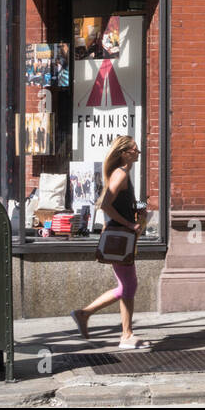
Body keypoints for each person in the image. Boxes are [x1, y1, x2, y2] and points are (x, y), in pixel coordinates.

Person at [71, 136, 148, 351]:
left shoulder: (123, 174)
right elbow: (104, 204)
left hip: (122, 236)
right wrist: (129, 224)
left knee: (126, 286)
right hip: (120, 236)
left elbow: (126, 202)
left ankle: (86, 315)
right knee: (128, 286)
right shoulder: (120, 174)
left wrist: (142, 205)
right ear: (124, 153)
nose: (138, 151)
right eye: (134, 149)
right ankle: (125, 334)